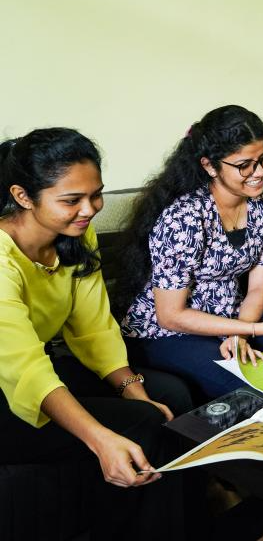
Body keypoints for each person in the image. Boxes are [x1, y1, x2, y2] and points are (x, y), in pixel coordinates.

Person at [0, 128, 191, 540]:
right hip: (8, 387)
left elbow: (94, 327)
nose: (89, 209)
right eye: (71, 200)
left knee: (167, 395)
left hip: (39, 368)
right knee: (139, 424)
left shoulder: (74, 233)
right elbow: (24, 368)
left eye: (95, 194)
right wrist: (101, 440)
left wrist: (132, 387)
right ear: (22, 196)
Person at [118, 105, 263, 400]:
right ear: (210, 166)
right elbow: (170, 315)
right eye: (244, 165)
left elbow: (259, 286)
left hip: (232, 316)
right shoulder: (184, 219)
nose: (260, 171)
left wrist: (239, 334)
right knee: (248, 387)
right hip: (168, 332)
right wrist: (254, 328)